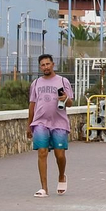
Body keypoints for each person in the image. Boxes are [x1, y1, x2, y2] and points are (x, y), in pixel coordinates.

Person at [28, 53, 72, 197]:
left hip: (59, 123)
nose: (45, 67)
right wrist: (29, 125)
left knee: (60, 155)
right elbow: (32, 104)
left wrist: (65, 98)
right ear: (40, 67)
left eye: (48, 64)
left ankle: (61, 175)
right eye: (43, 65)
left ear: (53, 64)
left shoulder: (63, 81)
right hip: (40, 122)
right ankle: (44, 188)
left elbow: (70, 103)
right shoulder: (36, 83)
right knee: (42, 152)